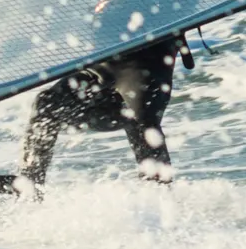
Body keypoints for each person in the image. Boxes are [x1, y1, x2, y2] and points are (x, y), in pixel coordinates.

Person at [17, 34, 189, 186]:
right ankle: (29, 186)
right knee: (47, 103)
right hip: (103, 64)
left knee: (143, 123)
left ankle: (160, 203)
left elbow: (190, 2)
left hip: (145, 61)